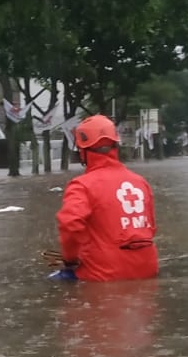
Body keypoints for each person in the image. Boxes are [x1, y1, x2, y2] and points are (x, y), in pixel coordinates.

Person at [55, 115, 159, 282]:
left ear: (82, 151)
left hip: (104, 273)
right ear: (115, 145)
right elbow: (151, 228)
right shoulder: (140, 182)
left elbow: (70, 225)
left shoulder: (81, 185)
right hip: (148, 268)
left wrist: (70, 259)